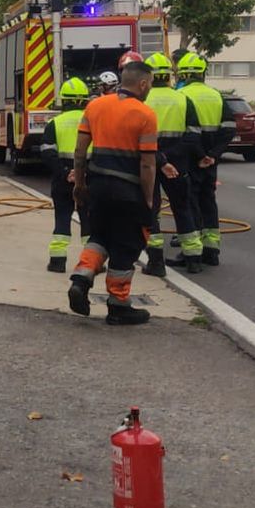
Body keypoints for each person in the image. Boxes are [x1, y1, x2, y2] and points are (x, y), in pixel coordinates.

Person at [66, 51, 157, 326]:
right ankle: (118, 304)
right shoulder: (145, 114)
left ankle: (81, 278)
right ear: (142, 84)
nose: (150, 89)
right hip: (128, 191)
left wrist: (80, 185)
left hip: (98, 187)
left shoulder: (95, 107)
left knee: (100, 236)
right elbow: (147, 165)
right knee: (126, 245)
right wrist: (149, 199)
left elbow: (80, 152)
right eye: (150, 85)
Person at [142, 53, 204, 277]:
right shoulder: (182, 99)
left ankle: (155, 262)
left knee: (151, 211)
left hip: (148, 161)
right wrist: (172, 155)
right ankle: (193, 258)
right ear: (169, 75)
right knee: (183, 208)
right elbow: (194, 135)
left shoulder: (141, 100)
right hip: (178, 162)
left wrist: (159, 157)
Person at [177, 53, 234, 266]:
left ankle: (193, 252)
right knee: (208, 201)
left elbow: (187, 132)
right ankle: (212, 250)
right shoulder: (216, 96)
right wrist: (212, 155)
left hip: (189, 159)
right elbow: (229, 129)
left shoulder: (180, 95)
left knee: (189, 203)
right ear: (203, 74)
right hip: (211, 159)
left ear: (183, 74)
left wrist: (200, 155)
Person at [39, 77, 91, 273]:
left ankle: (57, 262)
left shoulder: (55, 123)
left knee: (62, 217)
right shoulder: (92, 121)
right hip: (88, 177)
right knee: (88, 220)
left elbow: (46, 152)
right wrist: (83, 173)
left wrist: (64, 172)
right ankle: (91, 262)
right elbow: (101, 151)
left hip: (63, 179)